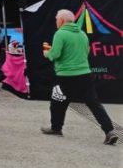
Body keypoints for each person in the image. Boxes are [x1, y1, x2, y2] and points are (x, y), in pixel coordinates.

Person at [41, 9, 119, 145]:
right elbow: (86, 51)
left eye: (56, 19)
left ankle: (56, 128)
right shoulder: (82, 34)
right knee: (94, 104)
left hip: (65, 75)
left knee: (57, 101)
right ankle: (109, 131)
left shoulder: (60, 34)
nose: (56, 22)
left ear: (61, 20)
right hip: (84, 74)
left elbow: (55, 55)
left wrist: (47, 52)